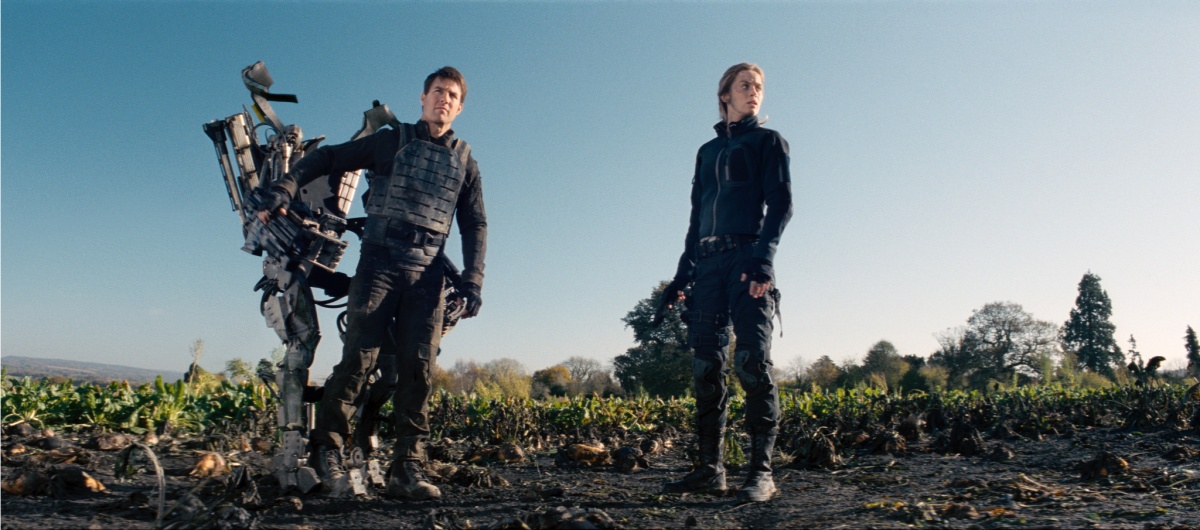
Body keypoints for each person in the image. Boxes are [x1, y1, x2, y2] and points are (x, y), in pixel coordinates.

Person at [258, 66, 486, 500]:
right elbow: (329, 158)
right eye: (438, 91)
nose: (444, 99)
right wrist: (286, 186)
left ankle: (408, 468)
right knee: (358, 361)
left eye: (453, 95)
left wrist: (473, 279)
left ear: (459, 107)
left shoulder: (465, 161)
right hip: (380, 262)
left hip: (428, 272)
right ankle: (327, 452)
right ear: (423, 98)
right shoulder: (391, 141)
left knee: (418, 370)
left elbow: (474, 223)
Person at [661, 63, 792, 502]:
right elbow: (696, 217)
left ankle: (761, 473)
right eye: (745, 85)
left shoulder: (768, 141)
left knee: (752, 363)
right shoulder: (707, 151)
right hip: (707, 264)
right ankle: (709, 470)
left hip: (746, 259)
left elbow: (781, 204)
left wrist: (763, 261)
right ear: (725, 95)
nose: (754, 92)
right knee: (706, 368)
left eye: (758, 87)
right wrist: (683, 274)